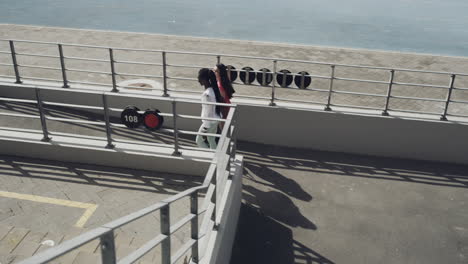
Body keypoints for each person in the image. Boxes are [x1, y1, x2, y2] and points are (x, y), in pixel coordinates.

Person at [196, 68, 222, 149]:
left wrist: (205, 128)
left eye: (199, 77)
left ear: (204, 79)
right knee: (211, 139)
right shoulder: (213, 90)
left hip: (209, 122)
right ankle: (215, 155)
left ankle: (210, 156)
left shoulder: (207, 94)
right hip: (216, 120)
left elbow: (209, 112)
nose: (198, 80)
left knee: (199, 141)